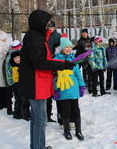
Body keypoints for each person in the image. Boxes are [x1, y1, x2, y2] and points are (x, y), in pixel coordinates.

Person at [18, 10, 74, 149]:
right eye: (47, 21)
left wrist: (62, 62)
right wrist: (63, 65)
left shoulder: (38, 36)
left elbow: (45, 58)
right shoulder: (33, 37)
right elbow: (39, 62)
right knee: (40, 119)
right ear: (39, 21)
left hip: (40, 81)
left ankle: (37, 146)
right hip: (35, 83)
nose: (48, 24)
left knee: (38, 118)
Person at [53, 35, 85, 141]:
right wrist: (55, 90)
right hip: (63, 90)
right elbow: (54, 77)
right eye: (66, 47)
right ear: (62, 48)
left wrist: (81, 86)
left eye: (70, 47)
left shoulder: (73, 60)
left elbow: (78, 74)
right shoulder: (56, 60)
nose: (68, 49)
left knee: (76, 110)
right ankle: (66, 131)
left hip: (74, 89)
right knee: (65, 111)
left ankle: (78, 130)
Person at [46, 21, 61, 122]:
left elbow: (60, 47)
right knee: (48, 92)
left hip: (55, 60)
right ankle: (47, 114)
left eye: (52, 27)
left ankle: (60, 116)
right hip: (47, 61)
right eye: (49, 27)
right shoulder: (45, 34)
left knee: (57, 88)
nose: (50, 28)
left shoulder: (57, 35)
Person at [75, 29, 93, 93]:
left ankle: (89, 85)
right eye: (83, 33)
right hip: (82, 59)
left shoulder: (90, 40)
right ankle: (85, 84)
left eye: (86, 33)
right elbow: (78, 50)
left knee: (90, 72)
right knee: (84, 72)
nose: (85, 34)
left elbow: (90, 50)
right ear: (81, 34)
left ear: (87, 34)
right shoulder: (80, 41)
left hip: (89, 58)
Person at [9, 51, 22, 119]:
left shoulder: (21, 65)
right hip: (17, 85)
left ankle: (21, 112)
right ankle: (17, 114)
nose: (17, 59)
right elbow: (15, 78)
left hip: (21, 85)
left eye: (18, 57)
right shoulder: (14, 67)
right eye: (15, 58)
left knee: (21, 99)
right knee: (18, 99)